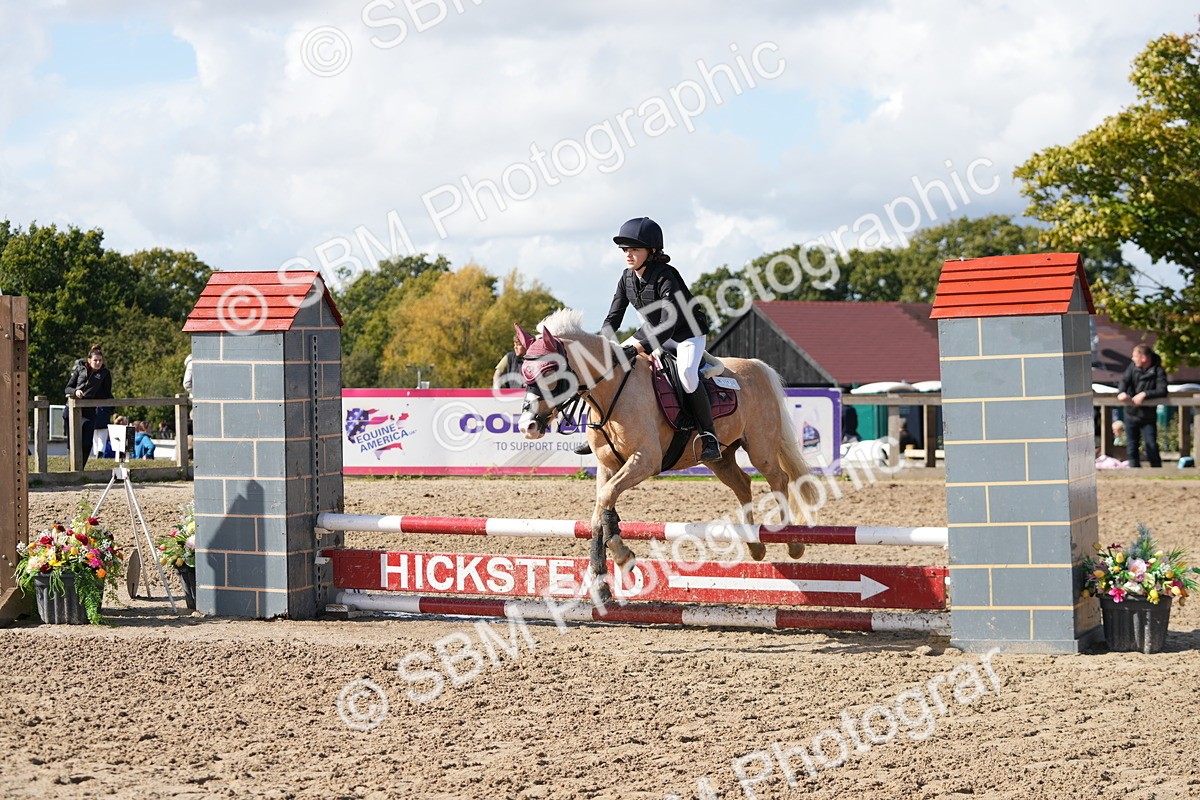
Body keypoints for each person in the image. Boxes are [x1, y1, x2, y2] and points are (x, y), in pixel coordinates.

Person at [588, 216, 721, 462]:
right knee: (608, 365)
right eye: (625, 250)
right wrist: (602, 346)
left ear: (652, 251)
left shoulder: (666, 277)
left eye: (634, 249)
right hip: (652, 332)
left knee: (687, 375)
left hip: (685, 335)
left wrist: (637, 347)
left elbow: (668, 325)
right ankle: (602, 429)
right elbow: (613, 317)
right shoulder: (627, 278)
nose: (628, 255)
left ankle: (709, 435)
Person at [1116, 343, 1168, 467]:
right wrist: (1121, 392)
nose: (1132, 359)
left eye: (1135, 356)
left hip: (1148, 415)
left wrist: (1144, 394)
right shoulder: (1132, 367)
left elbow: (1162, 390)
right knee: (1131, 445)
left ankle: (1157, 472)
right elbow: (1124, 381)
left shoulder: (1158, 370)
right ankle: (1134, 473)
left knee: (1151, 445)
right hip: (1131, 413)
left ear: (1143, 358)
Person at [64, 343, 113, 469]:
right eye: (95, 360)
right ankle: (72, 469)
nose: (98, 363)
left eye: (100, 360)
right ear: (89, 360)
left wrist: (92, 395)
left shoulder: (105, 373)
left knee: (87, 443)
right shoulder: (80, 370)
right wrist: (75, 392)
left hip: (89, 410)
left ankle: (80, 469)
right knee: (73, 442)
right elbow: (67, 388)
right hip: (72, 409)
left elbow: (106, 393)